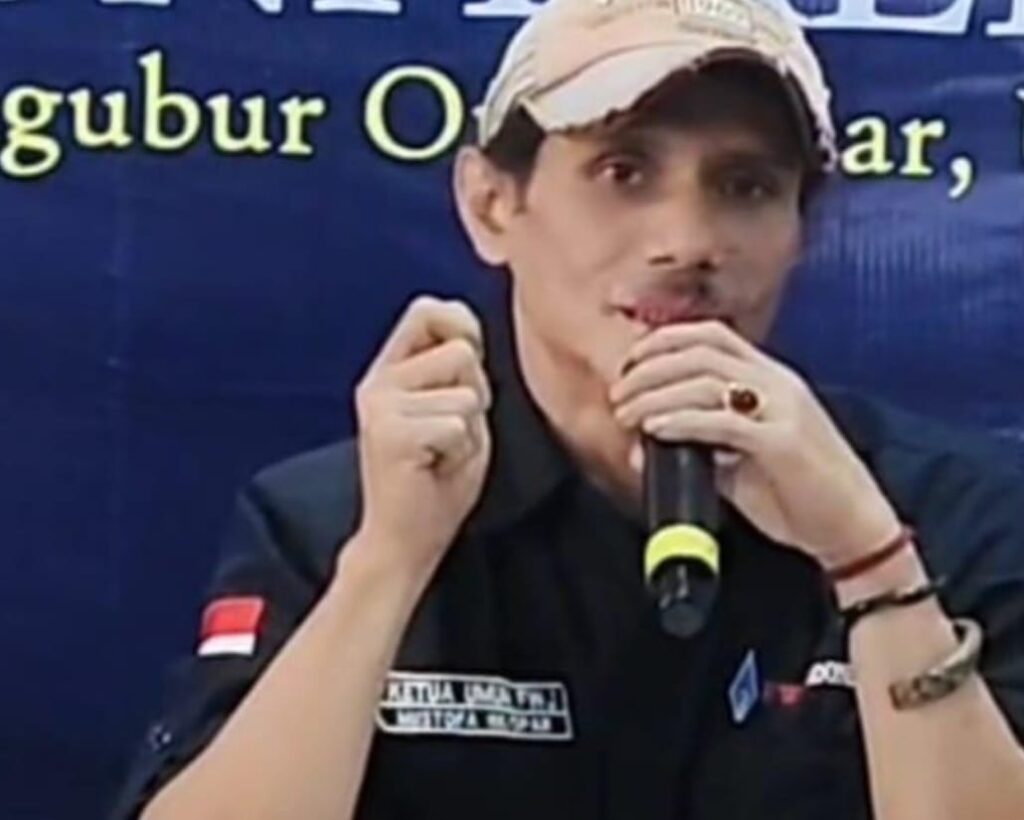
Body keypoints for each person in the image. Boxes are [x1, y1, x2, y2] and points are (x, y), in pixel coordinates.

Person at [113, 1, 1024, 818]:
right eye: (624, 171)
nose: (687, 242)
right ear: (491, 204)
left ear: (800, 231)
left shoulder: (944, 512)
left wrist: (870, 563)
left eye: (746, 186)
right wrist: (386, 566)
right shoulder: (333, 519)